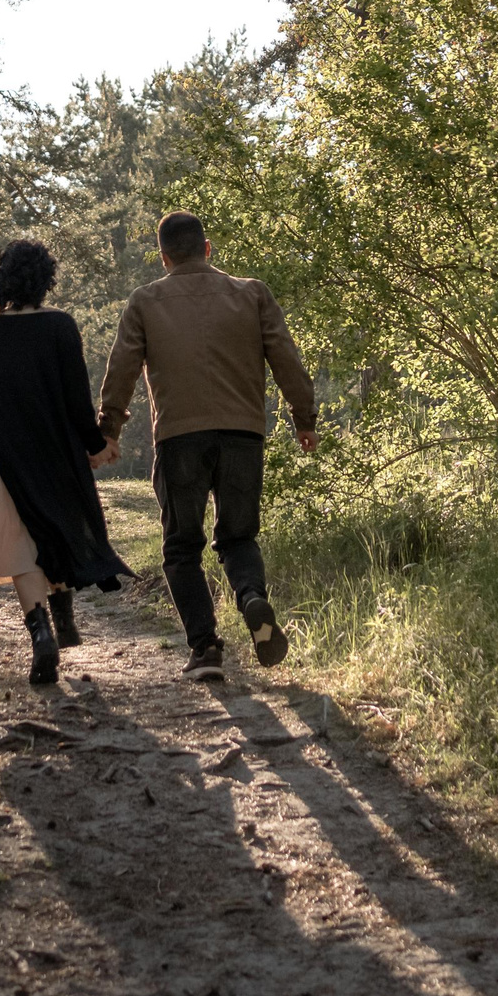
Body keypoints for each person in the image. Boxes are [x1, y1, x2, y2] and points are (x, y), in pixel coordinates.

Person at [97, 211, 319, 682]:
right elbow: (285, 355)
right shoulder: (252, 292)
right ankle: (251, 597)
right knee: (238, 538)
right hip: (242, 435)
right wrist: (305, 418)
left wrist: (109, 429)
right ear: (208, 248)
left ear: (164, 257)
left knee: (182, 548)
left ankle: (205, 648)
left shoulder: (145, 301)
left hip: (179, 437)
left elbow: (121, 369)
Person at [0, 238, 135, 685]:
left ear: (3, 280)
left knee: (20, 546)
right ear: (46, 280)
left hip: (5, 454)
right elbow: (75, 400)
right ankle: (63, 609)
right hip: (58, 449)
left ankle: (42, 632)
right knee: (58, 527)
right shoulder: (60, 328)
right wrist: (96, 444)